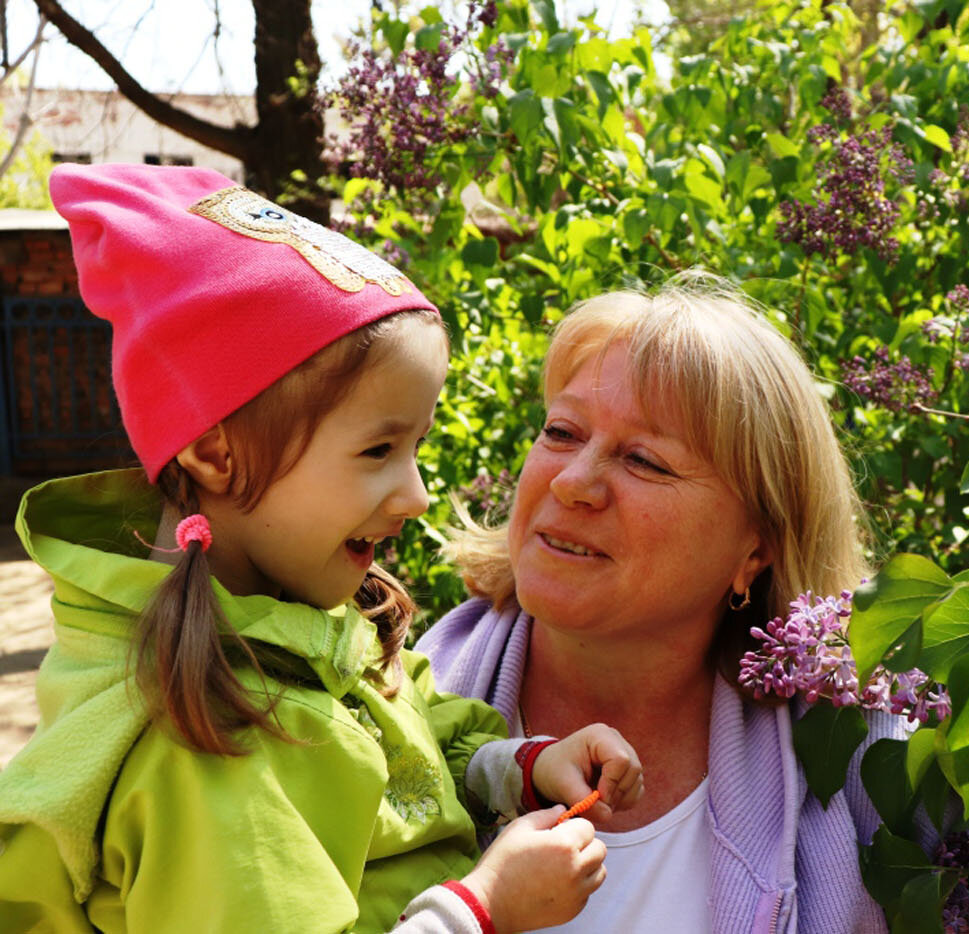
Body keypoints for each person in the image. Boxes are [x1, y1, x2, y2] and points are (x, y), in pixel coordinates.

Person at [0, 163, 642, 934]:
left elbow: (404, 746)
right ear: (215, 453)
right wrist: (483, 908)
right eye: (378, 450)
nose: (417, 496)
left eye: (416, 448)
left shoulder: (284, 619)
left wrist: (517, 767)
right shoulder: (207, 753)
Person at [418, 275, 911, 933]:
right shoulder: (388, 703)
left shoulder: (861, 749)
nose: (572, 482)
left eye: (645, 461)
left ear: (754, 549)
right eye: (562, 431)